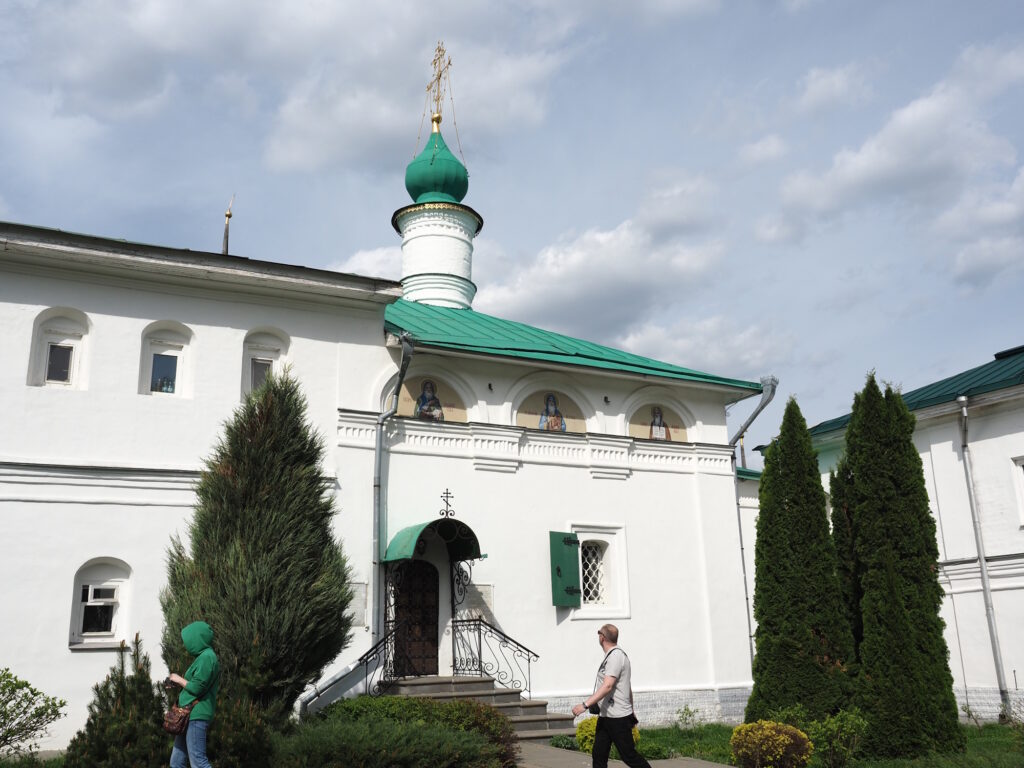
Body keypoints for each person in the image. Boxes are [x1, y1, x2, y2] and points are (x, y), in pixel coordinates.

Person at [571, 624, 651, 768]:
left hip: (618, 718)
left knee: (629, 756)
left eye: (599, 634)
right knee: (599, 755)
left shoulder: (615, 656)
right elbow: (628, 687)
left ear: (602, 637)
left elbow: (607, 685)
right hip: (607, 716)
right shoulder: (612, 656)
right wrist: (632, 710)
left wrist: (584, 705)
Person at [167, 620, 220, 768]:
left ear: (197, 639)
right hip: (187, 715)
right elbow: (194, 685)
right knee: (177, 762)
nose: (186, 645)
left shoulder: (207, 658)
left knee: (198, 762)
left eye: (188, 640)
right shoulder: (202, 657)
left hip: (196, 715)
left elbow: (197, 688)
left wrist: (178, 679)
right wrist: (177, 683)